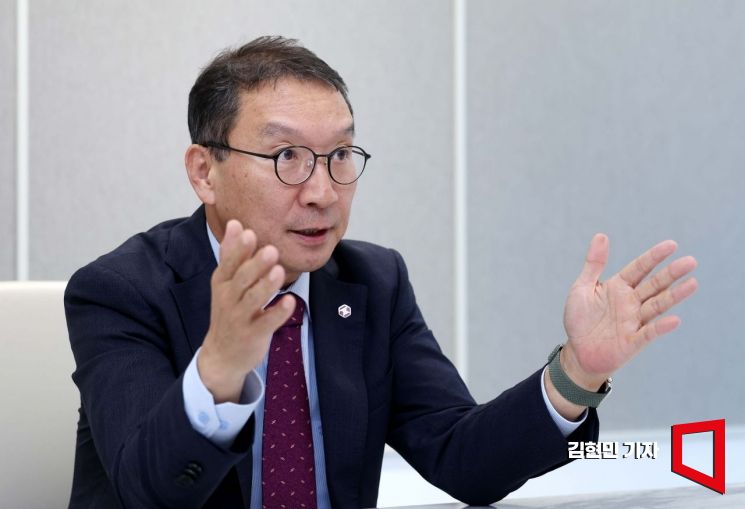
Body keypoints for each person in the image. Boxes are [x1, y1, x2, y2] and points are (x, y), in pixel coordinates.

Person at [64, 36, 698, 509]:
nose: (322, 191)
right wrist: (221, 370)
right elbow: (147, 490)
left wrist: (577, 373)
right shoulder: (120, 292)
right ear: (204, 170)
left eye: (341, 154)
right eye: (287, 156)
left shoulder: (372, 282)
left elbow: (464, 461)